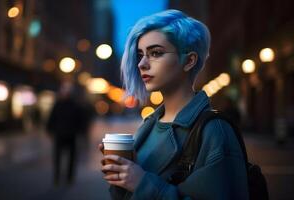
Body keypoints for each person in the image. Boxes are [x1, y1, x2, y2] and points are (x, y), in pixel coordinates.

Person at [98, 9, 249, 200]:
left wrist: (141, 182)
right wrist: (122, 174)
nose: (142, 63)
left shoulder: (215, 131)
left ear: (189, 61)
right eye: (140, 54)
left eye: (155, 53)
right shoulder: (149, 125)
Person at [47, 81, 86, 186]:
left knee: (71, 158)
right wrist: (50, 130)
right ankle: (57, 177)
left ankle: (69, 178)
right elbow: (51, 118)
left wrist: (81, 132)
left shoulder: (75, 105)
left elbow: (81, 120)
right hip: (60, 135)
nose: (66, 92)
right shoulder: (58, 104)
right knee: (58, 157)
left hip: (71, 135)